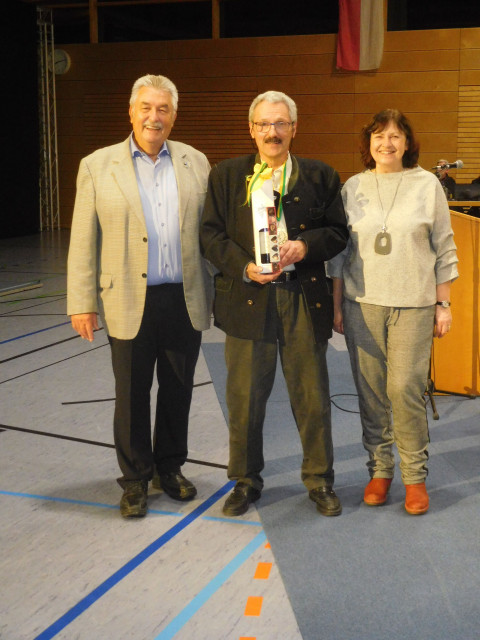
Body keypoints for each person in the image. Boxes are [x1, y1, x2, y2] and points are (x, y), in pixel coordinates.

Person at [67, 74, 213, 518]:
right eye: (146, 108)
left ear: (173, 115)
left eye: (163, 109)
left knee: (178, 390)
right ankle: (134, 479)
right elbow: (82, 239)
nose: (155, 117)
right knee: (131, 393)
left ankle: (169, 468)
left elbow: (211, 233)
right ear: (131, 111)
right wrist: (82, 301)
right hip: (128, 298)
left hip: (184, 295)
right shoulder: (97, 164)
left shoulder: (196, 161)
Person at [200, 90, 348, 517]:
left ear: (294, 129)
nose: (273, 132)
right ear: (251, 129)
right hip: (248, 298)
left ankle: (319, 480)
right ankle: (245, 481)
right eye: (264, 124)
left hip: (302, 298)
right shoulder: (226, 176)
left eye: (281, 123)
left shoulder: (320, 176)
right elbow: (211, 236)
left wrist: (304, 246)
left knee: (312, 395)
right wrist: (245, 267)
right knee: (245, 398)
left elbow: (338, 233)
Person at [328, 109, 458, 515]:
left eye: (395, 136)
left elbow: (444, 247)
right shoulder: (352, 188)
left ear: (407, 143)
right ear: (368, 144)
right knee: (369, 393)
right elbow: (339, 254)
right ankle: (380, 469)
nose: (386, 143)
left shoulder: (426, 185)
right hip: (361, 305)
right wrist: (336, 307)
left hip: (414, 305)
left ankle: (414, 477)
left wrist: (444, 303)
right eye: (378, 136)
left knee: (403, 389)